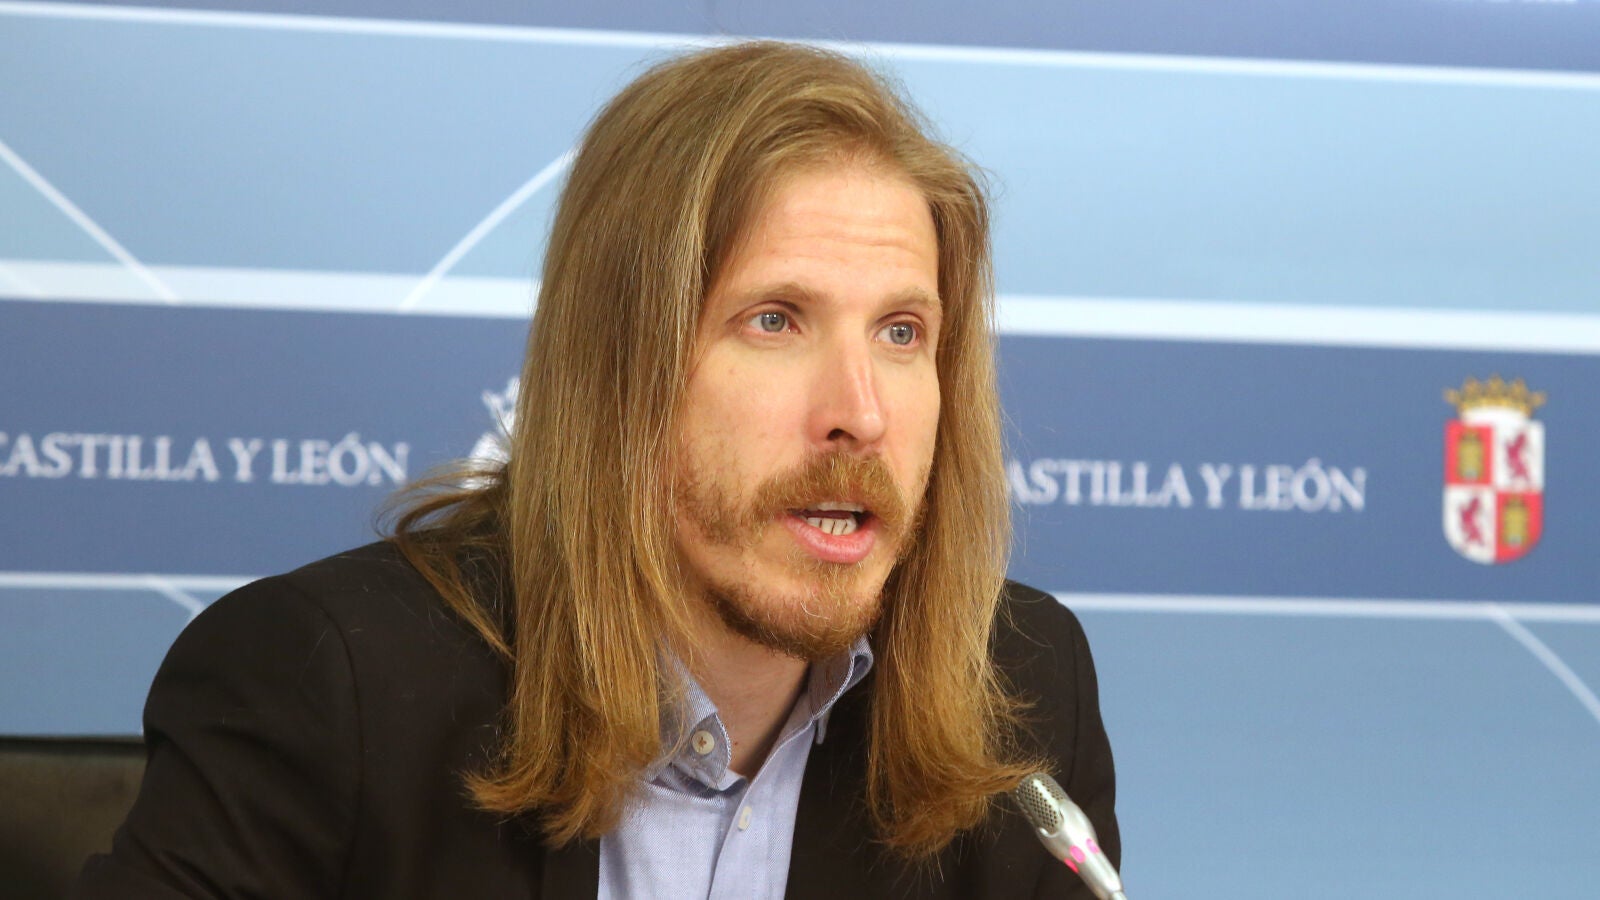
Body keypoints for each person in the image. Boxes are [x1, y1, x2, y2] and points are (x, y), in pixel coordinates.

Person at [74, 41, 1118, 899]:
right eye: (773, 320)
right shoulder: (332, 690)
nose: (860, 413)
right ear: (616, 370)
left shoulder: (1021, 695)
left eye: (901, 332)